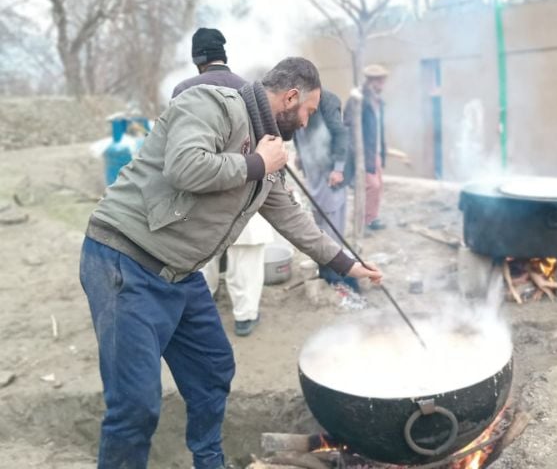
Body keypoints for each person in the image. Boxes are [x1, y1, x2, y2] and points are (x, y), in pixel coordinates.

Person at [79, 56, 382, 469]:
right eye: (309, 111)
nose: (307, 122)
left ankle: (209, 462)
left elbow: (290, 216)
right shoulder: (211, 104)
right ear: (291, 97)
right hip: (126, 261)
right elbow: (185, 167)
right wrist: (257, 163)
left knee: (212, 368)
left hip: (179, 273)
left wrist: (346, 264)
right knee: (135, 406)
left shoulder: (267, 147)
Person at [172, 27, 274, 337]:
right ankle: (245, 316)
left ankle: (205, 306)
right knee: (247, 255)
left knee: (203, 258)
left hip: (202, 193)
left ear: (197, 60)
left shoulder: (183, 90)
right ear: (223, 56)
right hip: (246, 187)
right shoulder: (250, 90)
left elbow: (177, 149)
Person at [293, 89, 359, 291]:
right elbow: (297, 131)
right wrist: (300, 154)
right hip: (314, 168)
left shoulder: (327, 101)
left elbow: (340, 133)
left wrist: (338, 168)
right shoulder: (293, 96)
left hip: (331, 172)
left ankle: (334, 269)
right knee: (319, 217)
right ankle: (324, 262)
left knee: (332, 222)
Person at [345, 64, 389, 230]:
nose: (382, 85)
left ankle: (372, 217)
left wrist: (382, 151)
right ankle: (363, 219)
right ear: (371, 81)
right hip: (363, 152)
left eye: (383, 81)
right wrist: (355, 153)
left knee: (378, 186)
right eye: (380, 81)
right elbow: (348, 126)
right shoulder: (358, 100)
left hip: (374, 151)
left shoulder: (378, 101)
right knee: (372, 186)